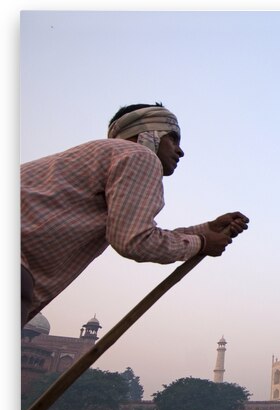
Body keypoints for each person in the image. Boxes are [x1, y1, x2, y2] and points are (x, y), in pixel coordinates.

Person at [20, 103, 250, 326]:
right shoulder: (140, 156)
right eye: (173, 138)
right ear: (150, 134)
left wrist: (207, 229)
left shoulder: (103, 154)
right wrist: (201, 243)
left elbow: (133, 231)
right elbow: (136, 241)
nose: (180, 150)